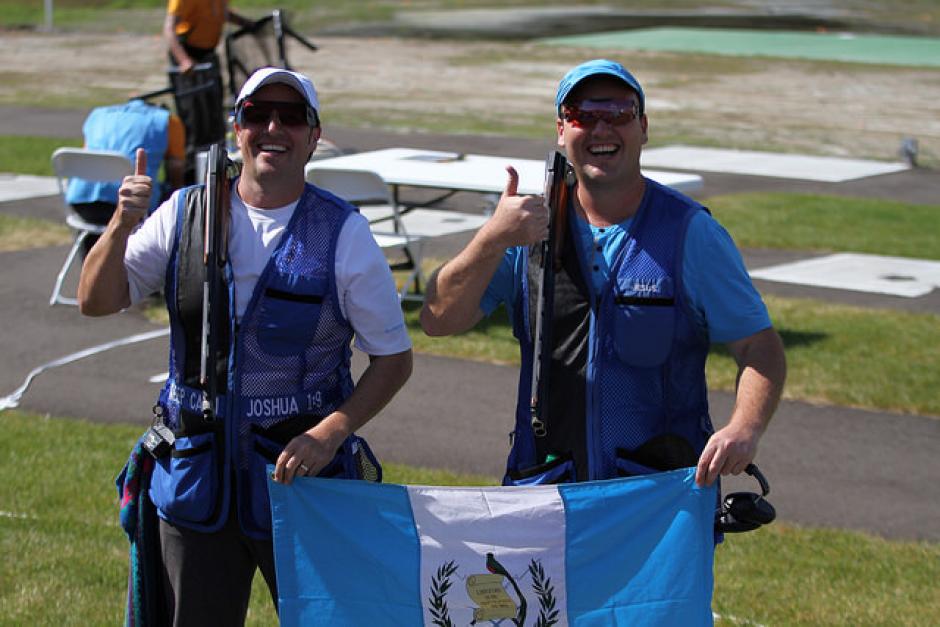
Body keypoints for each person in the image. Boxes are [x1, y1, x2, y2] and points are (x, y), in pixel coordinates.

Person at [78, 67, 413, 624]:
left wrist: (330, 433)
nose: (272, 128)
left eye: (290, 116)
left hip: (304, 487)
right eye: (257, 115)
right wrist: (120, 222)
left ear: (313, 134)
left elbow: (394, 360)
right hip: (193, 480)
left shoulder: (345, 234)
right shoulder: (183, 213)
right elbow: (96, 299)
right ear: (237, 129)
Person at [420, 59, 786, 491]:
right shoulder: (527, 227)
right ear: (561, 129)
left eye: (618, 114)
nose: (601, 129)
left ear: (644, 127)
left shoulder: (691, 233)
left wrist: (745, 428)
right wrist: (491, 239)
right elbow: (438, 320)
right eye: (583, 115)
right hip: (545, 490)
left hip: (659, 498)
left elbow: (759, 346)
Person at [65, 98, 185, 258]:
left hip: (83, 204)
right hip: (132, 206)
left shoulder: (97, 114)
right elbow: (176, 167)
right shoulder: (168, 120)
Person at [163, 0, 251, 181]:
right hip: (188, 55)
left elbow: (221, 13)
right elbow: (169, 29)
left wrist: (247, 23)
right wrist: (184, 60)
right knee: (194, 118)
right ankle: (189, 176)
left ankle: (215, 171)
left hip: (208, 55)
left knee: (214, 118)